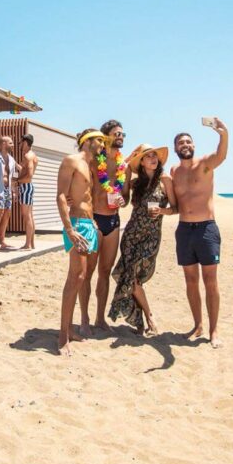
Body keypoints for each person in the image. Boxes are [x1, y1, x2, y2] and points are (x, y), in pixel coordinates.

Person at [171, 118, 229, 348]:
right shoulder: (174, 171)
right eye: (181, 142)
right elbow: (173, 203)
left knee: (210, 281)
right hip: (184, 230)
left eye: (188, 141)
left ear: (193, 145)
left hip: (206, 228)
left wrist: (223, 134)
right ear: (176, 148)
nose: (185, 144)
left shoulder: (205, 163)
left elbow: (221, 155)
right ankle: (197, 325)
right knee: (191, 281)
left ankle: (214, 331)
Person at [109, 144, 176, 335]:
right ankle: (147, 319)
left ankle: (144, 318)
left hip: (151, 237)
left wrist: (162, 211)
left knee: (135, 277)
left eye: (155, 156)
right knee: (132, 278)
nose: (153, 158)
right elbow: (124, 175)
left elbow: (175, 208)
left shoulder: (165, 180)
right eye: (148, 156)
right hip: (131, 235)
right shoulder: (135, 183)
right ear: (142, 162)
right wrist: (131, 157)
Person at [56, 129, 105, 356]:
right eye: (99, 140)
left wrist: (93, 220)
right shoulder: (71, 161)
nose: (102, 145)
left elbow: (87, 197)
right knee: (75, 276)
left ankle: (71, 329)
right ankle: (62, 336)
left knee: (82, 277)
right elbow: (60, 196)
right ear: (87, 141)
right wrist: (70, 230)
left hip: (88, 224)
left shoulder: (91, 167)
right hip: (75, 224)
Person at [78, 119, 127, 336]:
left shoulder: (123, 165)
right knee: (86, 273)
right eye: (117, 133)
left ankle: (100, 318)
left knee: (105, 272)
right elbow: (84, 192)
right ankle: (84, 319)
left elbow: (126, 196)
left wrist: (124, 200)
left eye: (123, 134)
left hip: (114, 221)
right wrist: (88, 217)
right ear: (105, 136)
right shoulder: (92, 162)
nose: (121, 137)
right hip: (95, 219)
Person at [0, 136, 18, 250]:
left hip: (8, 190)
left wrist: (14, 191)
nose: (13, 145)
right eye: (11, 143)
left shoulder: (11, 159)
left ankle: (2, 240)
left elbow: (14, 176)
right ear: (4, 143)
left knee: (7, 214)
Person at [17, 133, 39, 250]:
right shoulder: (32, 155)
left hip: (26, 186)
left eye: (20, 142)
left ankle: (28, 244)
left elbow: (29, 175)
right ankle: (32, 243)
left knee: (27, 216)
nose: (19, 145)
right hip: (28, 187)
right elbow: (26, 171)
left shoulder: (28, 156)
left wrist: (17, 180)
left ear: (25, 143)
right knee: (30, 216)